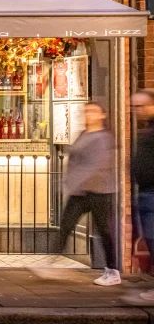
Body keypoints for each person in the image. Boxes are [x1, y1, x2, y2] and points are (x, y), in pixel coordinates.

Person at [57, 102, 119, 286]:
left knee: (104, 230)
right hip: (82, 191)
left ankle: (113, 271)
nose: (88, 114)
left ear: (102, 115)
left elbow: (96, 166)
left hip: (100, 191)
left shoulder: (103, 137)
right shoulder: (85, 134)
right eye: (86, 111)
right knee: (66, 224)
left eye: (93, 111)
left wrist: (75, 183)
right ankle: (52, 263)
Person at [133, 91, 154, 300]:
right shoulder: (148, 128)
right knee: (150, 237)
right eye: (135, 107)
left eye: (141, 106)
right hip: (146, 191)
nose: (137, 111)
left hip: (151, 192)